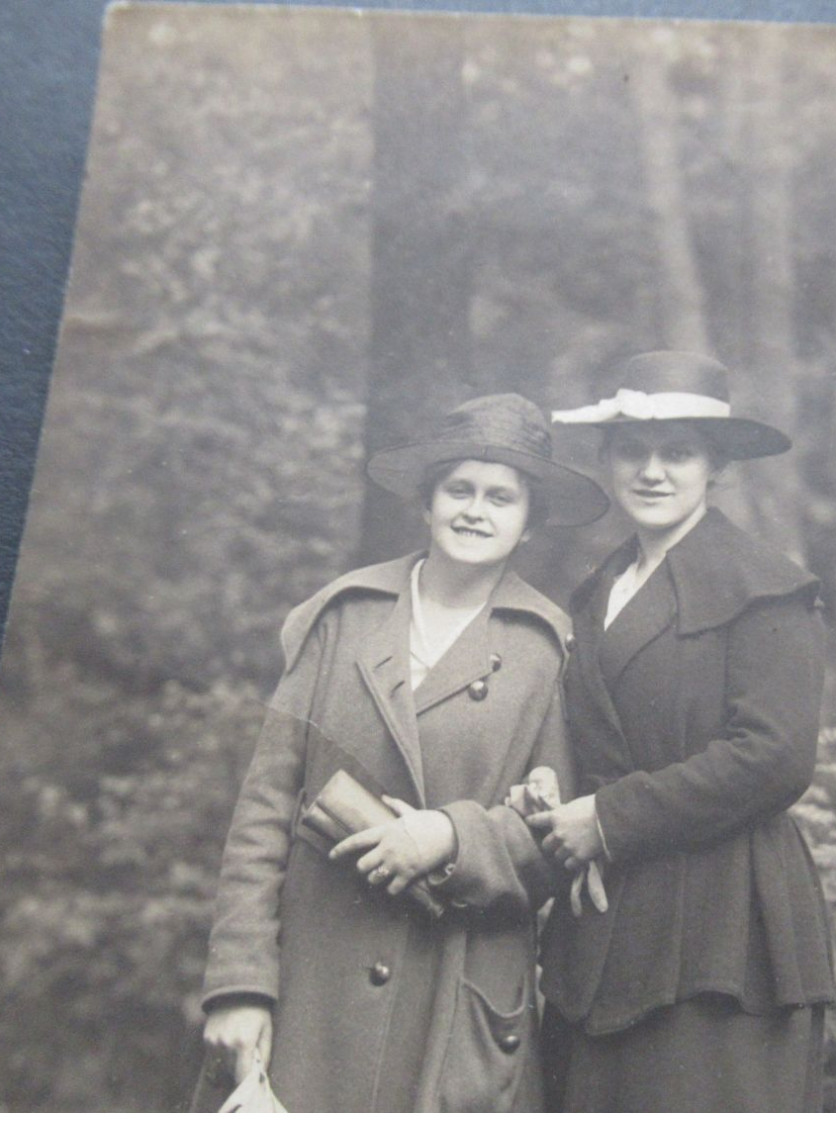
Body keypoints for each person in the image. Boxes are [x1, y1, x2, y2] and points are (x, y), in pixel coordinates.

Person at [198, 393, 608, 1111]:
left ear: (530, 520)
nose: (476, 510)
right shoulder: (344, 617)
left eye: (501, 496)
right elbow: (262, 811)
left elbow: (552, 843)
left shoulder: (548, 649)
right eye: (460, 489)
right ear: (426, 503)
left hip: (453, 995)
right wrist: (240, 984)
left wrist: (452, 836)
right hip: (312, 989)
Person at [530, 351, 833, 1112]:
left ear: (716, 465)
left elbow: (774, 756)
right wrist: (552, 786)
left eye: (679, 452)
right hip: (608, 919)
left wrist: (607, 818)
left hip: (725, 931)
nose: (653, 471)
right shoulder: (600, 588)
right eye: (633, 450)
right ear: (606, 462)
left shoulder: (766, 586)